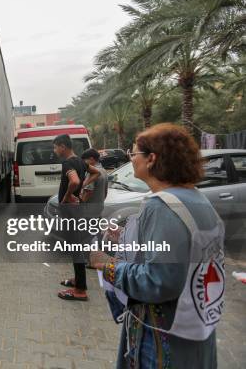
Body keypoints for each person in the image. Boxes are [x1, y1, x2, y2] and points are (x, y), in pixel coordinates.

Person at [90, 123, 225, 368]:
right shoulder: (195, 198)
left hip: (163, 341)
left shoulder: (161, 206)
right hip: (195, 329)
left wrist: (107, 264)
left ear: (151, 159)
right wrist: (124, 236)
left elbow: (159, 280)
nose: (131, 159)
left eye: (134, 154)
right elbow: (179, 251)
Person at [53, 134, 99, 301]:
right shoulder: (80, 161)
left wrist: (67, 197)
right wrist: (82, 187)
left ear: (62, 146)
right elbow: (96, 173)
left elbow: (73, 181)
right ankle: (78, 280)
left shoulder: (68, 163)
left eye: (55, 147)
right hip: (76, 210)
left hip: (70, 210)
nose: (55, 150)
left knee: (76, 247)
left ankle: (80, 290)